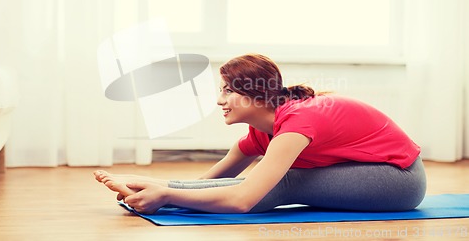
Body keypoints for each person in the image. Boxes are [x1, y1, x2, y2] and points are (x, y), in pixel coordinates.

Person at [94, 54, 426, 214]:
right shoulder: (261, 131)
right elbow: (209, 182)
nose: (219, 100)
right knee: (268, 177)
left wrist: (165, 196)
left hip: (400, 179)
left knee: (286, 180)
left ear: (256, 95)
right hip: (371, 171)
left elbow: (243, 200)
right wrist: (157, 187)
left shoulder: (298, 122)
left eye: (227, 91)